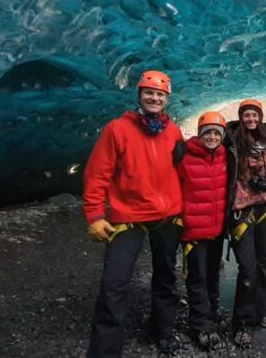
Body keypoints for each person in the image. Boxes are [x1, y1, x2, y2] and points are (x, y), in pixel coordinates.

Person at [83, 70, 183, 357]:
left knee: (166, 278)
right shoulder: (117, 129)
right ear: (139, 95)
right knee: (114, 284)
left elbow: (181, 173)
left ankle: (161, 332)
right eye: (149, 92)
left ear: (166, 99)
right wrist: (94, 215)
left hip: (166, 216)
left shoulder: (172, 131)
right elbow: (97, 175)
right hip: (128, 217)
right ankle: (105, 351)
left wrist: (182, 212)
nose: (154, 98)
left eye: (160, 94)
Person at [174, 111, 236, 351]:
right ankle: (200, 325)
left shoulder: (226, 156)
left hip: (216, 230)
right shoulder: (184, 156)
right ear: (200, 135)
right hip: (192, 232)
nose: (211, 137)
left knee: (212, 274)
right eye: (207, 132)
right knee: (197, 278)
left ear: (222, 136)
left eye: (216, 133)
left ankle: (212, 312)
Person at [225, 99, 266, 347]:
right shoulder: (232, 139)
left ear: (260, 117)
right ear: (241, 117)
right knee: (247, 269)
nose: (251, 120)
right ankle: (242, 322)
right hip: (241, 212)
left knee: (262, 264)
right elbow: (213, 140)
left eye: (254, 115)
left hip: (265, 208)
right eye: (246, 116)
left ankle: (265, 310)